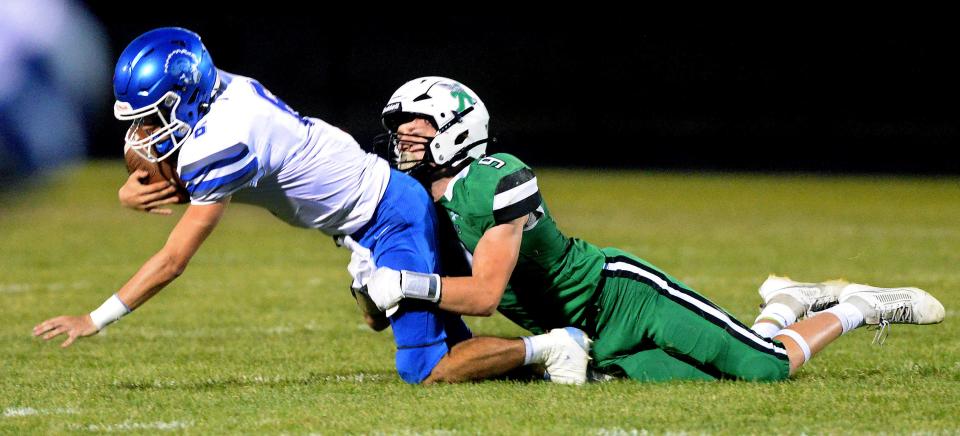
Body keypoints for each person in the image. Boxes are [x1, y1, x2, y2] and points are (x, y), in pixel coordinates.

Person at [31, 28, 589, 385]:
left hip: (389, 215)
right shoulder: (221, 94)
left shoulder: (227, 136)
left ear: (189, 94)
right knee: (388, 321)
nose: (143, 132)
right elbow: (193, 178)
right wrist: (135, 188)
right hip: (368, 217)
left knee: (424, 369)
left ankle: (553, 348)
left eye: (154, 117)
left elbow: (175, 257)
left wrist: (95, 318)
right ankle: (525, 361)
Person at [361, 76, 947, 382]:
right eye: (400, 128)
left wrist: (408, 283)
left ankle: (862, 308)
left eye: (415, 125)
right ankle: (788, 300)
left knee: (768, 367)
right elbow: (383, 308)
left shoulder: (497, 179)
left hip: (621, 297)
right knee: (717, 380)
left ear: (457, 128)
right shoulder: (415, 202)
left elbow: (486, 296)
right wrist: (368, 281)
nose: (403, 138)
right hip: (574, 332)